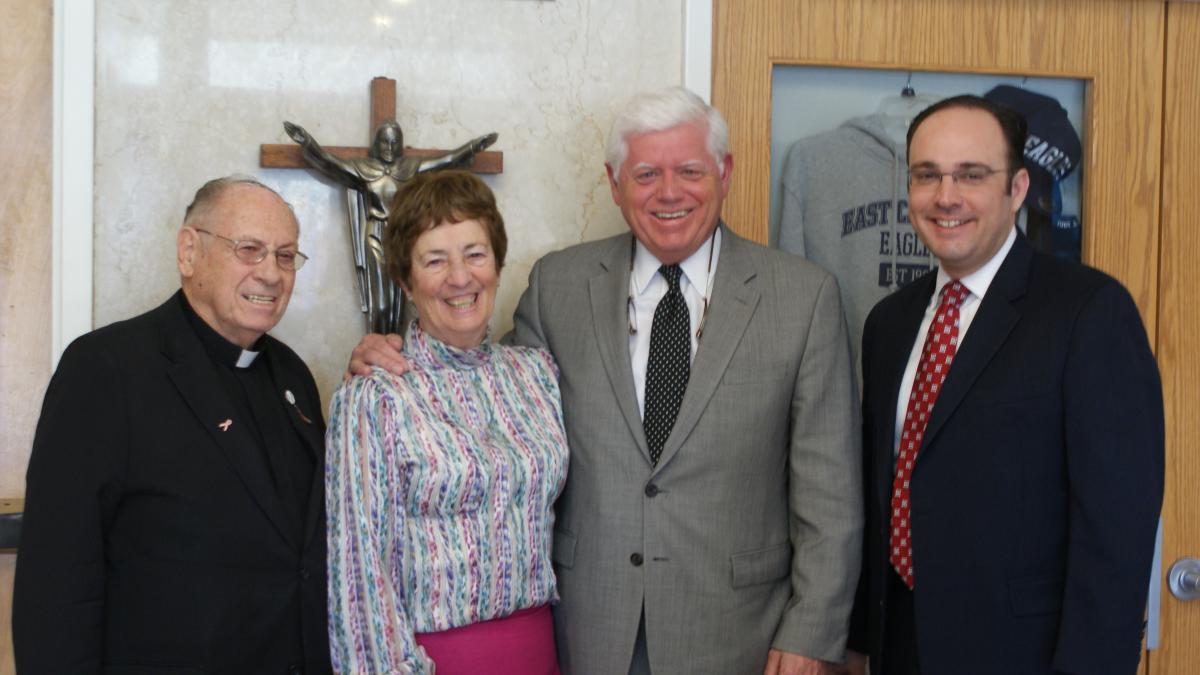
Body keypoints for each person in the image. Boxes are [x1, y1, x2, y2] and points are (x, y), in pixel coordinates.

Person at [352, 86, 862, 675]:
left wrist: (812, 634)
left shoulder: (804, 298)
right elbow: (485, 408)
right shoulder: (559, 286)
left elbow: (831, 497)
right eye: (645, 174)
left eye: (689, 170)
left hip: (740, 634)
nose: (668, 192)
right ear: (614, 184)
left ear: (725, 172)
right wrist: (390, 346)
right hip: (586, 632)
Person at [844, 96, 1164, 675]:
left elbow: (1117, 536)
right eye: (927, 175)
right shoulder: (889, 323)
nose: (946, 196)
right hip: (902, 648)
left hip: (1023, 656)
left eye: (971, 175)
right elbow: (887, 491)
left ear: (1017, 189)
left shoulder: (1089, 312)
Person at [13, 176, 332, 674]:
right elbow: (56, 582)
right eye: (249, 249)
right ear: (189, 251)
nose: (270, 273)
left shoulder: (293, 377)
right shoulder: (107, 368)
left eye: (286, 256)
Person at [325, 170, 568, 674]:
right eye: (435, 260)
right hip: (436, 660)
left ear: (498, 265)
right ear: (405, 282)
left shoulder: (537, 373)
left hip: (540, 649)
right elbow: (358, 576)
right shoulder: (374, 395)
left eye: (475, 254)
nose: (461, 277)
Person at [284, 119, 497, 334]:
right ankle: (379, 343)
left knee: (403, 303)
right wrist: (307, 142)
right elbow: (330, 163)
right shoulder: (364, 169)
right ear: (377, 144)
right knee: (382, 304)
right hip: (375, 234)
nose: (389, 148)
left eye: (394, 142)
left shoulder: (410, 168)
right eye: (384, 142)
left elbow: (446, 161)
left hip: (403, 240)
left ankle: (397, 346)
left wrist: (474, 146)